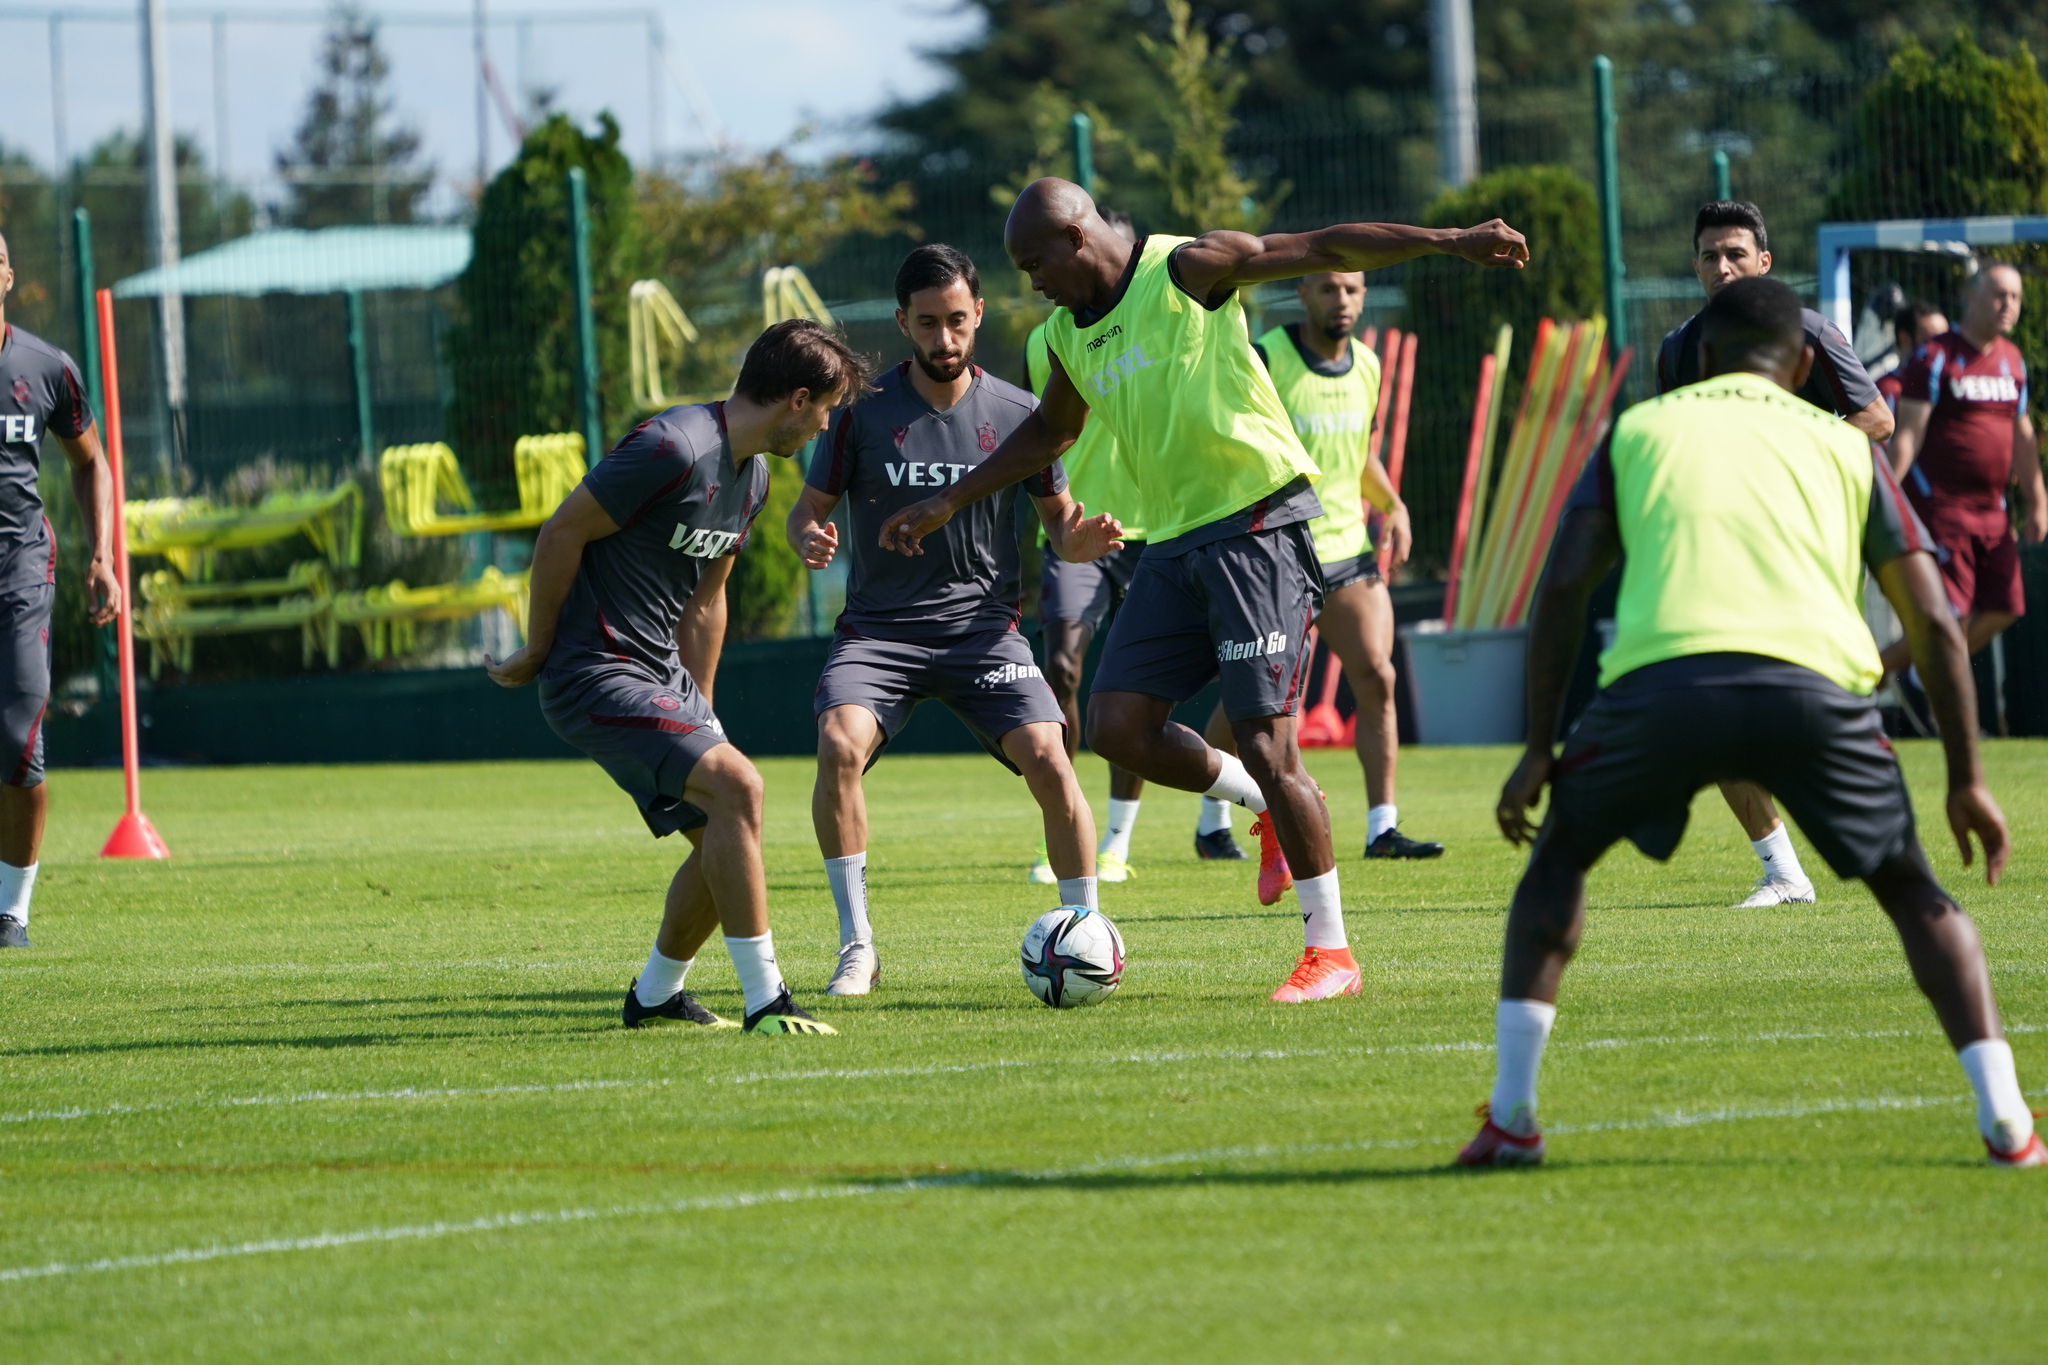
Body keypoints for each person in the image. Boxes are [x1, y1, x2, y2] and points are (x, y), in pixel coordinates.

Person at [880, 178, 1527, 1003]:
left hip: (1257, 524)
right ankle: (1266, 800)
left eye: (1032, 262)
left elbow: (1325, 245)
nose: (1030, 281)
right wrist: (947, 500)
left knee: (1266, 735)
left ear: (1076, 240)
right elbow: (1050, 430)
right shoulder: (1068, 336)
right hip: (1174, 542)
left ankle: (1330, 950)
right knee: (1118, 724)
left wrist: (1451, 239)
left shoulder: (1186, 270)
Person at [1460, 276, 2036, 1169]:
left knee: (1559, 861)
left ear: (1696, 358)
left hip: (1661, 690)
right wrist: (1966, 778)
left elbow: (1564, 586)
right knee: (1915, 893)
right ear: (1806, 363)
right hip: (1816, 698)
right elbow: (1933, 621)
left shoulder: (1638, 430)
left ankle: (1512, 1115)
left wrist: (1540, 745)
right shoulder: (1845, 448)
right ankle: (2007, 1122)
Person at [486, 320, 861, 1035]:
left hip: (659, 674)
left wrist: (702, 719)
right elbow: (561, 530)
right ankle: (768, 1002)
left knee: (729, 827)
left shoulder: (752, 476)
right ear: (797, 398)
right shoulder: (672, 445)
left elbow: (708, 599)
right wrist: (536, 648)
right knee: (741, 791)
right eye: (824, 410)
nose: (823, 427)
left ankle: (656, 995)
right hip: (593, 670)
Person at [789, 245, 1121, 998]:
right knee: (838, 742)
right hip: (879, 633)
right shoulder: (859, 415)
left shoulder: (1018, 416)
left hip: (984, 634)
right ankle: (857, 946)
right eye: (929, 323)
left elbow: (1059, 527)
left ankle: (1086, 932)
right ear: (903, 321)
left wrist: (1082, 538)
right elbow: (807, 509)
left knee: (1051, 753)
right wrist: (807, 534)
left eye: (959, 321)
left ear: (979, 316)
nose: (945, 339)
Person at [1657, 200, 1895, 910]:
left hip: (1803, 541)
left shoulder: (1811, 333)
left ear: (1764, 262)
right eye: (1709, 255)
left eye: (1735, 253)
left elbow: (1876, 418)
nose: (1721, 266)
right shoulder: (1678, 350)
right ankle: (1784, 871)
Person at [1196, 271, 1444, 862]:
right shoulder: (1268, 358)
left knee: (1378, 676)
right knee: (1254, 700)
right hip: (1280, 554)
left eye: (1354, 289)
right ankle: (1212, 823)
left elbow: (1362, 457)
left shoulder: (1368, 366)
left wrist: (1395, 504)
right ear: (1303, 293)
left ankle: (1382, 827)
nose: (1343, 300)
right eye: (1329, 288)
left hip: (1348, 551)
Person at [1023, 209, 1175, 878]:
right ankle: (1067, 823)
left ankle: (1117, 839)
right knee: (1061, 669)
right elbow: (1038, 440)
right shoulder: (1049, 338)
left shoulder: (1164, 308)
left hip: (1154, 529)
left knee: (1132, 686)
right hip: (1076, 535)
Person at [0, 232, 122, 949]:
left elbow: (91, 462)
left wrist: (102, 555)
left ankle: (11, 908)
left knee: (17, 736)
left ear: (9, 275)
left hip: (19, 568)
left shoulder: (46, 367)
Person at [1881, 261, 2046, 687]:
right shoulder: (1934, 357)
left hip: (1993, 511)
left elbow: (2023, 437)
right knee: (1952, 612)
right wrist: (1882, 495)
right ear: (1970, 298)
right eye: (1998, 294)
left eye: (2015, 297)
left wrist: (2039, 501)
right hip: (1942, 507)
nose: (2007, 304)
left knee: (2006, 606)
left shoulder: (2012, 361)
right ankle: (1886, 673)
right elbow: (1908, 437)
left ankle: (1913, 666)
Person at [1875, 300, 1948, 415]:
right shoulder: (1889, 390)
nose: (1941, 349)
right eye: (1933, 343)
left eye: (1947, 341)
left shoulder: (1953, 388)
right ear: (1905, 340)